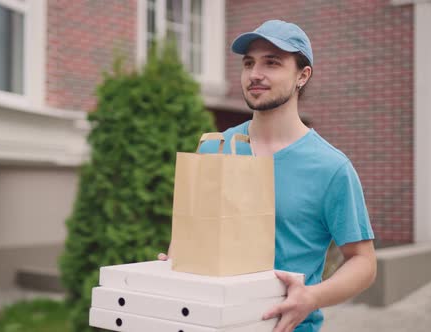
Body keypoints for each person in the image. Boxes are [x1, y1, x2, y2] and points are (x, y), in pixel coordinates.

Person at [158, 19, 376, 332]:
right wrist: (176, 261)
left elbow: (364, 262)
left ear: (302, 75)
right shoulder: (216, 149)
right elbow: (192, 237)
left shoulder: (331, 168)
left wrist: (311, 298)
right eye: (249, 63)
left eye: (271, 63)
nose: (255, 74)